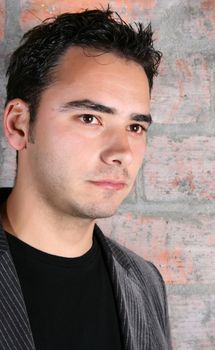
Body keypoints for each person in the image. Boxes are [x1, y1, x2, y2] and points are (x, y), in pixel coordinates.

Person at [0, 7, 171, 350]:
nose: (121, 151)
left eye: (135, 127)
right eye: (89, 118)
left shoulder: (146, 282)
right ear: (19, 124)